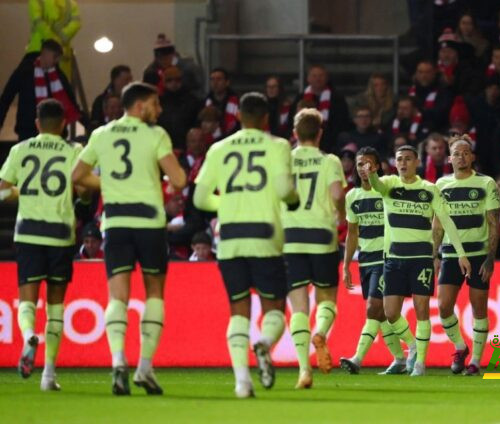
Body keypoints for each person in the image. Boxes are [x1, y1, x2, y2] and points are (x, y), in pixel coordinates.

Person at [72, 82, 187, 396]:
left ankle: (118, 362)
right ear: (140, 106)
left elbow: (77, 176)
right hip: (149, 222)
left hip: (117, 222)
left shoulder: (101, 134)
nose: (159, 110)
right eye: (155, 104)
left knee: (117, 297)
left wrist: (107, 181)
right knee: (154, 294)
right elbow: (178, 179)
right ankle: (145, 367)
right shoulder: (156, 135)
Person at [193, 92, 299, 398]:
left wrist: (226, 203)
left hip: (230, 239)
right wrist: (292, 200)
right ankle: (264, 343)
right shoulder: (277, 145)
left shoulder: (219, 148)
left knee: (238, 311)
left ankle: (242, 382)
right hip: (265, 237)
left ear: (238, 116)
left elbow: (200, 199)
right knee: (274, 308)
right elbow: (283, 190)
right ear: (266, 119)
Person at [363, 145, 471, 377]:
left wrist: (460, 253)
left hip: (421, 259)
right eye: (399, 159)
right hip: (393, 259)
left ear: (417, 162)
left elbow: (446, 221)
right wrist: (372, 173)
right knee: (390, 312)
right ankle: (412, 346)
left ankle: (420, 363)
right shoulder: (390, 184)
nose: (403, 163)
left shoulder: (429, 189)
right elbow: (377, 185)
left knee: (422, 310)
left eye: (408, 159)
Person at [0, 99, 86, 391]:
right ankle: (49, 375)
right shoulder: (74, 151)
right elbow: (85, 190)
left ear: (37, 123)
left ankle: (27, 337)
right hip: (60, 234)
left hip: (28, 233)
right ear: (63, 124)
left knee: (27, 299)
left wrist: (19, 192)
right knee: (56, 305)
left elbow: (0, 193)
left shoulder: (19, 150)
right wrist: (83, 199)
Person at [282, 108, 346, 387]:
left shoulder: (284, 159)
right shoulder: (329, 160)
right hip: (321, 235)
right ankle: (320, 331)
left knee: (297, 307)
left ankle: (303, 370)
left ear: (295, 134)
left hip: (290, 237)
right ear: (320, 133)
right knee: (327, 298)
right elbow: (336, 194)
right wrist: (341, 215)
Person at [434, 135, 500, 376]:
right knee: (443, 307)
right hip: (451, 255)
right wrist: (434, 254)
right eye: (457, 153)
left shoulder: (486, 183)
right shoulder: (441, 185)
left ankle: (475, 361)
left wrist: (490, 257)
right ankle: (460, 347)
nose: (461, 157)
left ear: (472, 157)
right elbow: (437, 224)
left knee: (479, 308)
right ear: (449, 158)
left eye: (466, 153)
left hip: (478, 255)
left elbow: (494, 222)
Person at [339, 147, 406, 375]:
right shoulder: (352, 196)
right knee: (380, 314)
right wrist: (347, 264)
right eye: (360, 164)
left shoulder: (384, 191)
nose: (364, 168)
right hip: (365, 260)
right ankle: (400, 359)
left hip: (385, 258)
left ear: (377, 167)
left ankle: (357, 358)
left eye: (368, 164)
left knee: (373, 308)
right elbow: (352, 233)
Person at [0, 39, 80, 141]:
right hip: (28, 131)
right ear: (45, 53)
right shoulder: (25, 71)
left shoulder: (59, 75)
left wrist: (88, 124)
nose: (56, 61)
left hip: (54, 132)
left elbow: (71, 102)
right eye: (54, 57)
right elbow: (6, 97)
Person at [289, 65, 352, 153]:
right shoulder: (300, 98)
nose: (318, 79)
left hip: (330, 142)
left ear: (326, 78)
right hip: (305, 139)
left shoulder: (337, 99)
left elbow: (342, 123)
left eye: (321, 76)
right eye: (314, 76)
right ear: (308, 79)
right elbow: (292, 121)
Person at [26, 0, 81, 80]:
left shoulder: (36, 1)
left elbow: (37, 21)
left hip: (39, 51)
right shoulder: (71, 3)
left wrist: (53, 40)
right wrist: (59, 39)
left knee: (38, 85)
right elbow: (76, 23)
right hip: (59, 53)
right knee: (60, 86)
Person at [143, 33, 203, 99]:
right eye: (161, 57)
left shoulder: (186, 69)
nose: (164, 60)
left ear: (173, 54)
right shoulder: (151, 73)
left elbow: (197, 90)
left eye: (167, 57)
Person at [157, 66, 202, 151]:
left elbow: (197, 124)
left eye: (177, 80)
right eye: (169, 80)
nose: (174, 83)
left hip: (186, 147)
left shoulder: (192, 101)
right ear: (164, 82)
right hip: (164, 146)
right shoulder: (158, 102)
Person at [90, 65, 132, 130]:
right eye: (126, 80)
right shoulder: (100, 101)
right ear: (116, 80)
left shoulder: (133, 100)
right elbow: (95, 124)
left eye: (130, 79)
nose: (130, 83)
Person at [205, 67, 240, 136]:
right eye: (212, 79)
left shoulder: (237, 103)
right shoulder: (205, 103)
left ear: (227, 82)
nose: (215, 83)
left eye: (219, 79)